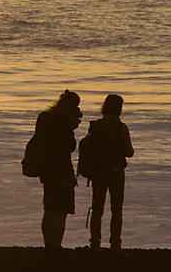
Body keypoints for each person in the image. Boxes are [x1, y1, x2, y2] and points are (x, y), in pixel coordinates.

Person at [34, 90, 82, 260]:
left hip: (46, 168)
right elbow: (68, 146)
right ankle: (55, 249)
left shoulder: (44, 117)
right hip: (61, 168)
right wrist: (71, 128)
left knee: (49, 210)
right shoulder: (62, 121)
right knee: (60, 211)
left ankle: (48, 247)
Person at [82, 94, 134, 253]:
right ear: (119, 109)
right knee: (116, 210)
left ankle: (95, 244)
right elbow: (129, 152)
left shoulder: (95, 126)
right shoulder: (121, 127)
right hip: (116, 171)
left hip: (98, 171)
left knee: (97, 209)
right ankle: (115, 246)